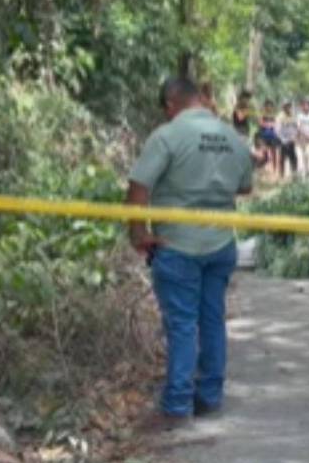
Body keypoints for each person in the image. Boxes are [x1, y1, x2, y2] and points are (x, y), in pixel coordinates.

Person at [126, 77, 254, 429]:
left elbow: (139, 187)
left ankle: (177, 406)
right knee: (212, 320)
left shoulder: (166, 136)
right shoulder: (232, 137)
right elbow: (246, 185)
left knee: (182, 326)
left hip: (177, 245)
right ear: (200, 99)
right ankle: (209, 397)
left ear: (171, 104)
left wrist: (139, 233)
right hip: (220, 244)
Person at [257, 100, 282, 179]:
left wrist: (270, 125)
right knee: (265, 155)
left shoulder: (274, 115)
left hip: (273, 136)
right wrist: (269, 125)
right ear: (265, 106)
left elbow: (276, 124)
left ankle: (275, 171)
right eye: (267, 105)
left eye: (270, 105)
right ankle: (261, 170)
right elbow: (260, 123)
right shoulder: (262, 114)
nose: (269, 107)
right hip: (264, 136)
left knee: (274, 153)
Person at [277, 101, 299, 179]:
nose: (288, 108)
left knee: (293, 158)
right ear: (283, 107)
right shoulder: (280, 117)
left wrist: (295, 136)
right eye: (287, 106)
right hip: (283, 141)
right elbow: (277, 130)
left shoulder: (293, 116)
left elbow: (296, 127)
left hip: (291, 140)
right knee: (282, 159)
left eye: (289, 106)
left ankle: (294, 175)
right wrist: (283, 140)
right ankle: (281, 176)